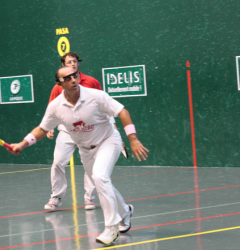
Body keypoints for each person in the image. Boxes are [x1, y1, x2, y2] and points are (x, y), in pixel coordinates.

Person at [8, 66, 149, 245]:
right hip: (85, 149)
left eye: (74, 75)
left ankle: (110, 228)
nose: (73, 80)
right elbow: (42, 129)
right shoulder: (56, 106)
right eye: (67, 78)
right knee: (101, 182)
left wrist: (133, 139)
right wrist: (22, 144)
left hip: (108, 141)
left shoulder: (95, 96)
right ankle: (125, 212)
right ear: (59, 84)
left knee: (99, 176)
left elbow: (123, 112)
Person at [45, 52, 126, 211]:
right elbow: (53, 109)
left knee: (93, 168)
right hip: (67, 131)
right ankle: (56, 197)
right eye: (69, 62)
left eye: (75, 62)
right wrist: (49, 128)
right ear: (63, 65)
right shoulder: (58, 87)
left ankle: (90, 198)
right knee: (58, 163)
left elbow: (106, 106)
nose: (73, 64)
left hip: (91, 131)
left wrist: (113, 124)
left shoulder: (92, 82)